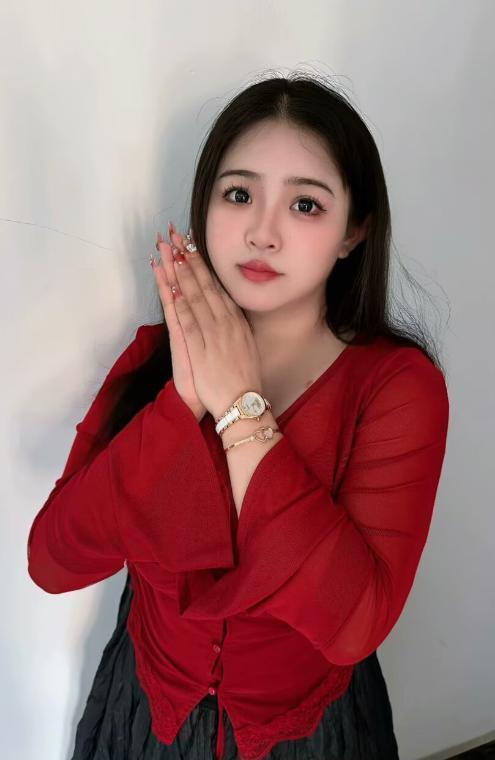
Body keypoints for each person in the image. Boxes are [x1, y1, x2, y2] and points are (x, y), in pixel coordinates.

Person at [27, 72, 450, 760]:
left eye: (305, 204)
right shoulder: (155, 357)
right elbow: (52, 562)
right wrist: (182, 401)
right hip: (144, 707)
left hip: (308, 731)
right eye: (238, 194)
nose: (261, 232)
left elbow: (354, 624)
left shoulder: (396, 386)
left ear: (353, 231)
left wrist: (237, 406)